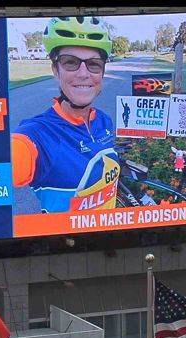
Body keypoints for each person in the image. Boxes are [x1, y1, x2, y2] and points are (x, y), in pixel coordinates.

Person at [11, 16, 120, 214]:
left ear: (102, 71)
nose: (83, 73)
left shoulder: (104, 121)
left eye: (94, 64)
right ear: (55, 70)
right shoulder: (38, 134)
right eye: (70, 62)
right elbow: (0, 165)